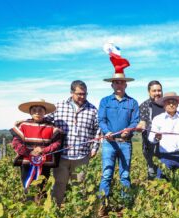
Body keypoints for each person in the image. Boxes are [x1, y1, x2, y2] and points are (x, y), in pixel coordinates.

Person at [47, 80, 100, 207]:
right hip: (61, 155)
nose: (82, 97)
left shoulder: (92, 109)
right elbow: (45, 122)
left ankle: (78, 214)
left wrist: (95, 148)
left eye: (85, 94)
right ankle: (56, 210)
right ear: (71, 93)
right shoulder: (58, 106)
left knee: (79, 186)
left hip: (82, 155)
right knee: (59, 184)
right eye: (79, 94)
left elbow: (97, 130)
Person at [98, 63, 139, 208]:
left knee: (125, 175)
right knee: (107, 174)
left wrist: (129, 130)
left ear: (126, 85)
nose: (119, 84)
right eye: (116, 82)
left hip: (125, 143)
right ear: (112, 85)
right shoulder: (105, 101)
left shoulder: (133, 102)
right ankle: (103, 206)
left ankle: (125, 207)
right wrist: (106, 131)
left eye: (122, 82)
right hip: (109, 143)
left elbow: (135, 121)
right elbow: (101, 120)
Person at [10, 99, 62, 200]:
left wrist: (44, 150)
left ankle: (41, 208)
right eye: (34, 110)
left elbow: (57, 143)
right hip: (27, 162)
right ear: (30, 112)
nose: (37, 112)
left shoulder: (51, 127)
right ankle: (30, 208)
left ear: (45, 112)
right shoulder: (23, 125)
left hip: (44, 162)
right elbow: (16, 142)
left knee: (42, 186)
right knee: (27, 185)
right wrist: (29, 152)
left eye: (40, 110)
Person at [148, 92, 179, 179]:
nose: (171, 105)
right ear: (164, 104)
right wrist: (156, 137)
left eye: (174, 102)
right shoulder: (158, 119)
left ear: (177, 104)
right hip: (165, 156)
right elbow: (150, 138)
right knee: (162, 182)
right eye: (168, 102)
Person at [138, 80, 164, 180]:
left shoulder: (166, 105)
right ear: (149, 92)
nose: (157, 93)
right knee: (152, 172)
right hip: (150, 147)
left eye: (159, 90)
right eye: (154, 91)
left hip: (166, 147)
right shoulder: (144, 106)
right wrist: (142, 124)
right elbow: (143, 121)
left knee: (165, 173)